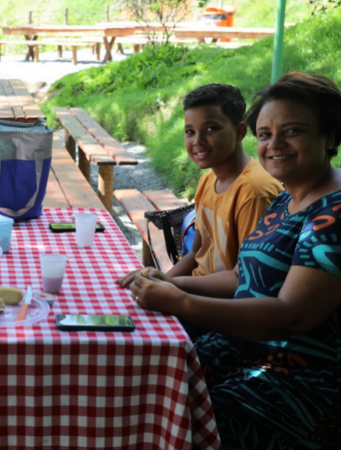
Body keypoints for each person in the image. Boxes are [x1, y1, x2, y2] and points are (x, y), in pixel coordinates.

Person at [127, 72, 341, 449]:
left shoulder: (333, 214)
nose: (274, 144)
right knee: (140, 377)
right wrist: (171, 282)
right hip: (243, 348)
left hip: (299, 382)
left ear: (330, 137)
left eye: (292, 131)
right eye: (265, 134)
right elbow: (241, 275)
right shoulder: (288, 199)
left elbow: (293, 314)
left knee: (183, 421)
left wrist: (184, 303)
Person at [118, 84, 282, 286]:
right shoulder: (208, 180)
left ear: (240, 131)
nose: (198, 141)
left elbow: (245, 280)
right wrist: (164, 278)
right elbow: (197, 252)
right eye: (189, 131)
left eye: (211, 129)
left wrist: (172, 287)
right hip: (196, 290)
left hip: (222, 307)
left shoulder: (254, 192)